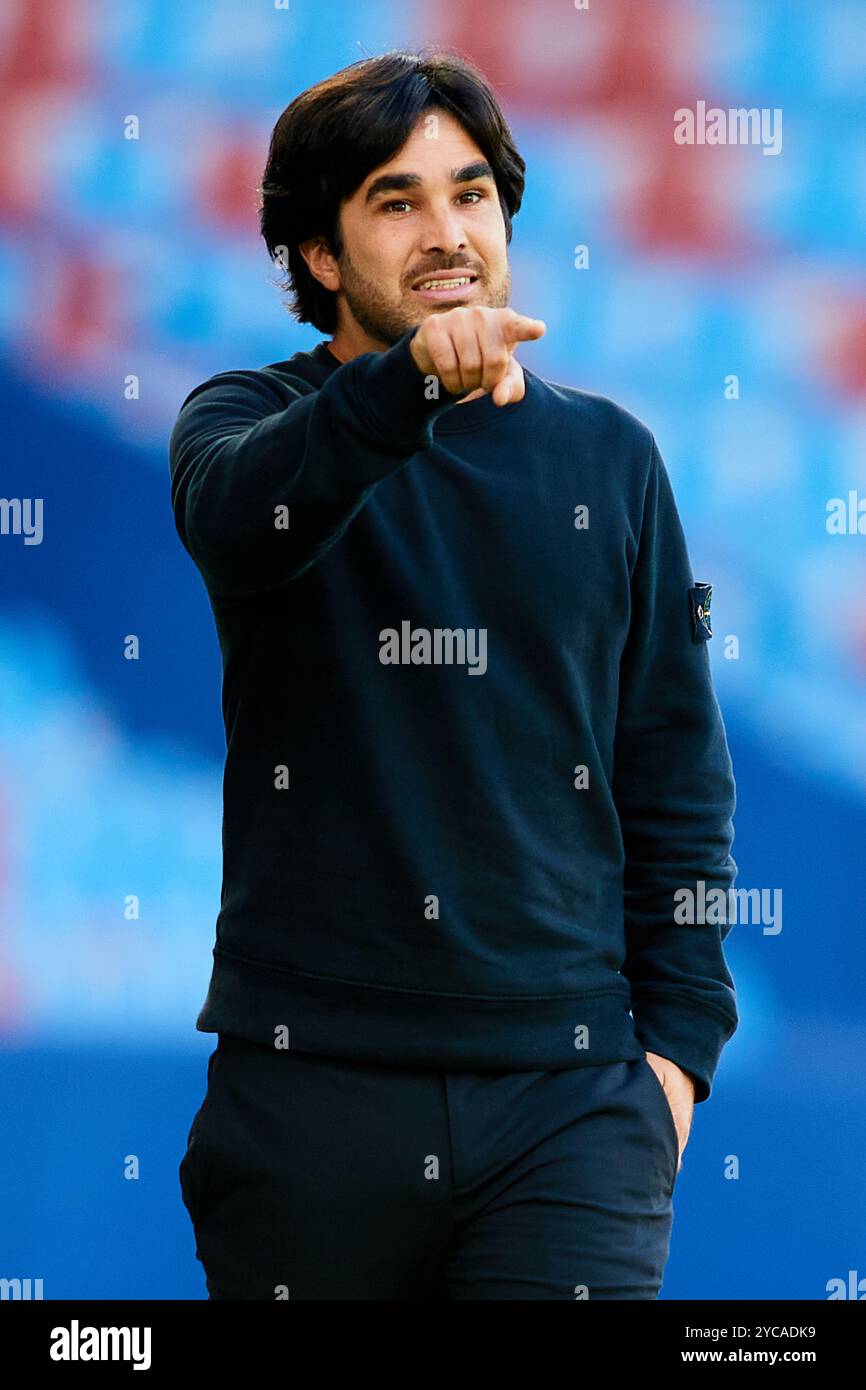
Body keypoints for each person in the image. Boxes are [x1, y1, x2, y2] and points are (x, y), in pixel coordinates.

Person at [169, 48, 738, 1300]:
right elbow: (244, 518)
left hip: (570, 1106)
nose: (446, 232)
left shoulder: (610, 459)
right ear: (317, 257)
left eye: (470, 194)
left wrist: (675, 1062)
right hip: (308, 1093)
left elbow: (676, 779)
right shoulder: (243, 426)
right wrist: (413, 383)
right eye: (396, 200)